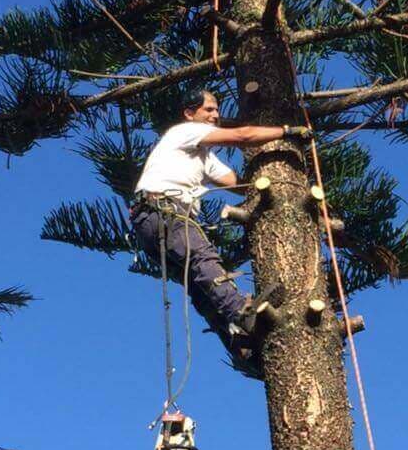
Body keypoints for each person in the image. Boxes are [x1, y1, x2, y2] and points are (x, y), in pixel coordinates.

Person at [130, 87, 311, 362]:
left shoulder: (202, 157)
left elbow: (236, 184)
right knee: (205, 262)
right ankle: (243, 313)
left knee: (200, 286)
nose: (216, 115)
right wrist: (287, 132)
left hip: (151, 222)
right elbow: (243, 136)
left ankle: (243, 347)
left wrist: (276, 184)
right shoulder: (184, 131)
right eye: (209, 109)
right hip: (165, 212)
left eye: (217, 110)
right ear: (190, 114)